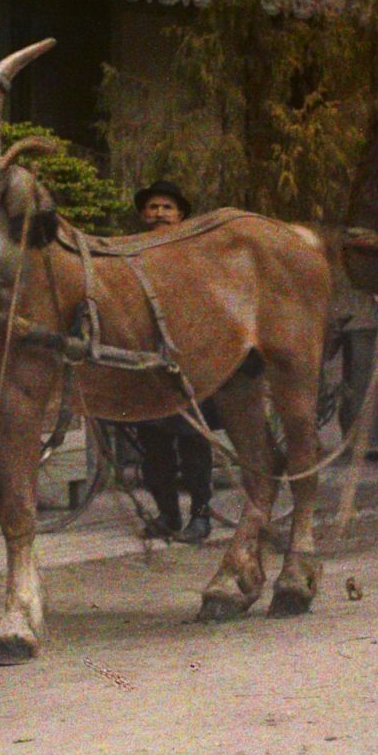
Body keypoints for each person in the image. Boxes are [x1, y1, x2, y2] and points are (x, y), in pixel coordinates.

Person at [127, 179, 217, 544]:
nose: (159, 213)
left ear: (180, 216)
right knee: (153, 444)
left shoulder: (196, 254)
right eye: (153, 207)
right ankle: (167, 514)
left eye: (167, 207)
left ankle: (201, 515)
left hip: (189, 358)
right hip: (146, 360)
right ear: (143, 215)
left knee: (192, 440)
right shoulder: (130, 253)